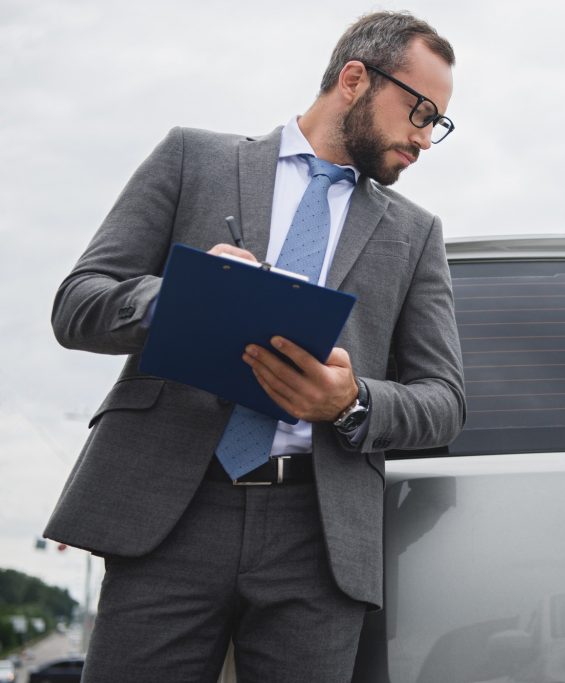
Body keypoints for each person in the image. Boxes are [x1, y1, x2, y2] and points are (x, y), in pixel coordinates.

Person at [45, 11, 465, 683]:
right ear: (355, 78)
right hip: (171, 511)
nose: (423, 138)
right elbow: (78, 303)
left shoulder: (415, 234)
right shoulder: (194, 158)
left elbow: (444, 401)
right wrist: (181, 295)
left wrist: (351, 401)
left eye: (436, 123)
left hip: (317, 534)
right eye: (418, 111)